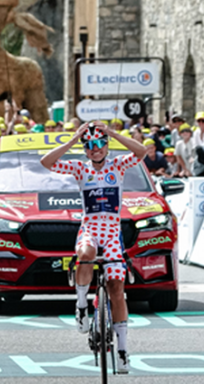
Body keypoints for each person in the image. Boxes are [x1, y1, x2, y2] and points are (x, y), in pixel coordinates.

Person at [40, 122, 148, 374]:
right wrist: (73, 139)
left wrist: (110, 132)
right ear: (85, 150)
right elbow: (46, 162)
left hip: (112, 233)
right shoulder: (79, 168)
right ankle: (80, 307)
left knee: (116, 289)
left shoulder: (118, 165)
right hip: (90, 228)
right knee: (86, 254)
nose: (96, 149)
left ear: (106, 145)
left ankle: (122, 350)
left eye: (100, 144)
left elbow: (141, 151)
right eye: (90, 146)